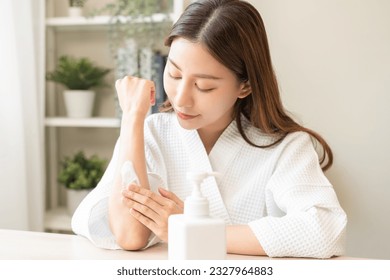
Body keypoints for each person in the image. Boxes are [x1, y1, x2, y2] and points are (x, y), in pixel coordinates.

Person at [72, 0, 347, 258]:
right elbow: (129, 235)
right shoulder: (152, 132)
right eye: (175, 74)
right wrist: (132, 116)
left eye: (204, 86)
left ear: (245, 86)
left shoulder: (286, 147)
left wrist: (194, 232)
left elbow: (325, 229)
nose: (181, 98)